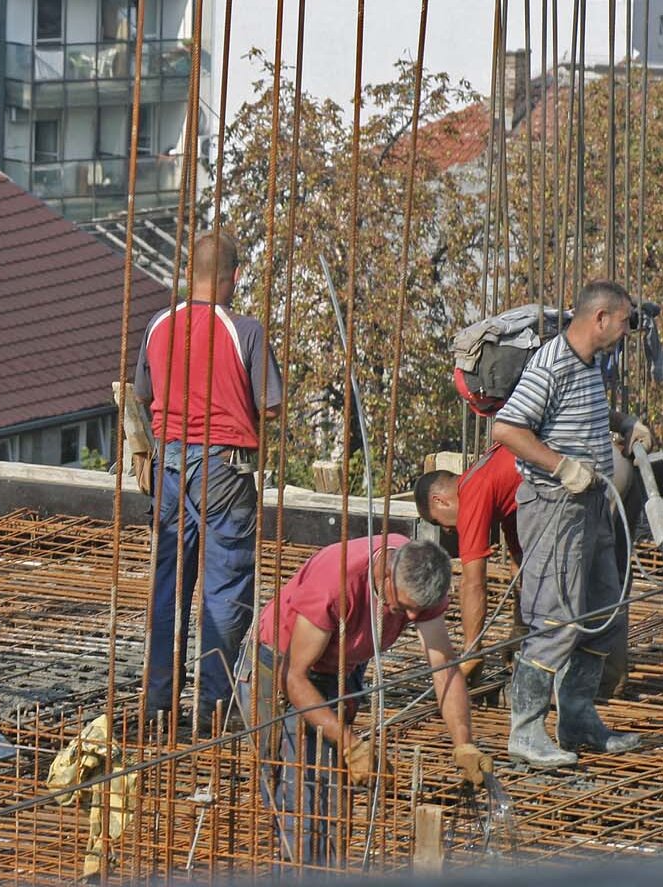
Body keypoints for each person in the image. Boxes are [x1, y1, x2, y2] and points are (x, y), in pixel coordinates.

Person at [242, 536, 489, 866]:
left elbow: (444, 668)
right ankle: (298, 873)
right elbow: (294, 678)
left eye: (419, 609)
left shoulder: (419, 574)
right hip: (279, 664)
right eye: (403, 607)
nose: (412, 615)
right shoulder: (336, 582)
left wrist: (464, 743)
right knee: (296, 791)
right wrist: (350, 744)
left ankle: (324, 869)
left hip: (342, 666)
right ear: (386, 575)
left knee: (328, 791)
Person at [490, 279, 649, 767]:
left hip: (594, 506)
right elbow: (508, 427)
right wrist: (560, 464)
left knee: (605, 611)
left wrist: (622, 425)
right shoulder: (551, 363)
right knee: (556, 619)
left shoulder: (591, 363)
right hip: (556, 505)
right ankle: (526, 731)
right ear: (600, 318)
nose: (626, 332)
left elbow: (587, 412)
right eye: (623, 322)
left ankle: (577, 716)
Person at [133, 229, 282, 735]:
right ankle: (214, 710)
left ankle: (157, 703)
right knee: (225, 587)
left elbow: (143, 394)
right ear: (234, 277)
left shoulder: (158, 324)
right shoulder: (246, 329)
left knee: (168, 585)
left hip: (169, 465)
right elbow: (272, 404)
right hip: (224, 469)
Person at [413, 443, 523, 688]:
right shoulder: (495, 483)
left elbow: (473, 582)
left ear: (439, 500)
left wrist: (472, 651)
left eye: (437, 521)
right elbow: (521, 563)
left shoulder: (473, 491)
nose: (447, 530)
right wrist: (520, 628)